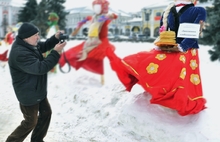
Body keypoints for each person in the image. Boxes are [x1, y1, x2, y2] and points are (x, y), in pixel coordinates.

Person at [106, 0, 207, 116]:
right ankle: (160, 91)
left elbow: (195, 31)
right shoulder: (167, 11)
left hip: (187, 50)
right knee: (145, 61)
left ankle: (177, 98)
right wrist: (161, 45)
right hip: (169, 47)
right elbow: (163, 33)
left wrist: (182, 46)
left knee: (177, 70)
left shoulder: (199, 11)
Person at [6, 22, 66, 142]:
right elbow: (40, 68)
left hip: (37, 90)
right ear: (26, 37)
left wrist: (55, 38)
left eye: (38, 34)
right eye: (36, 35)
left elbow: (42, 46)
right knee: (30, 122)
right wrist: (55, 52)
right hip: (28, 93)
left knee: (46, 113)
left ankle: (37, 140)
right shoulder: (20, 53)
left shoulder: (28, 44)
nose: (38, 37)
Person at [58, 0, 117, 85]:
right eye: (95, 7)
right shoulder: (92, 17)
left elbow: (114, 16)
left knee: (96, 58)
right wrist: (79, 26)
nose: (96, 9)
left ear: (102, 7)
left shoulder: (104, 18)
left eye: (98, 7)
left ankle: (102, 80)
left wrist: (111, 15)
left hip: (101, 41)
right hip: (91, 40)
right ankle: (59, 60)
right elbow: (84, 21)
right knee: (75, 52)